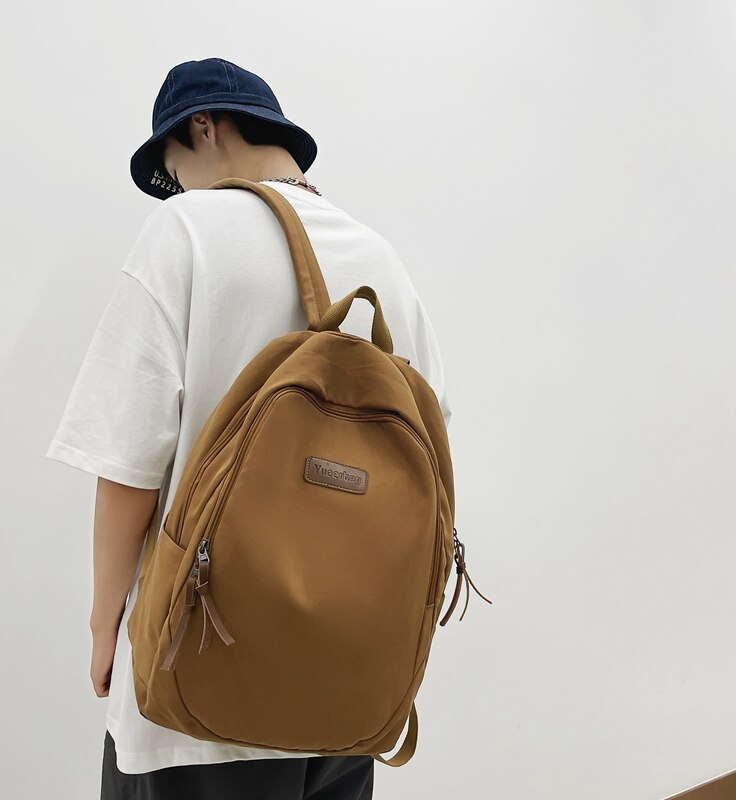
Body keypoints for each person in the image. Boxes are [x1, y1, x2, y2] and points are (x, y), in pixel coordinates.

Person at [44, 57, 453, 799]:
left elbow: (129, 465)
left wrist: (106, 626)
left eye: (173, 171)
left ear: (204, 127)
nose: (179, 190)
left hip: (193, 706)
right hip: (346, 703)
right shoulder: (381, 261)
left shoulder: (186, 232)